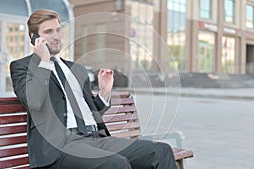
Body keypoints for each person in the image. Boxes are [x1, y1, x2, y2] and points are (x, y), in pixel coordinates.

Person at [10, 9, 177, 169]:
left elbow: (91, 112)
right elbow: (34, 102)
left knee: (161, 151)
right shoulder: (22, 67)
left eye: (58, 30)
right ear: (34, 37)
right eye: (48, 32)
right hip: (60, 146)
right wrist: (44, 62)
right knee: (115, 163)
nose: (56, 37)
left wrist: (104, 93)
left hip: (96, 138)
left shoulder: (76, 69)